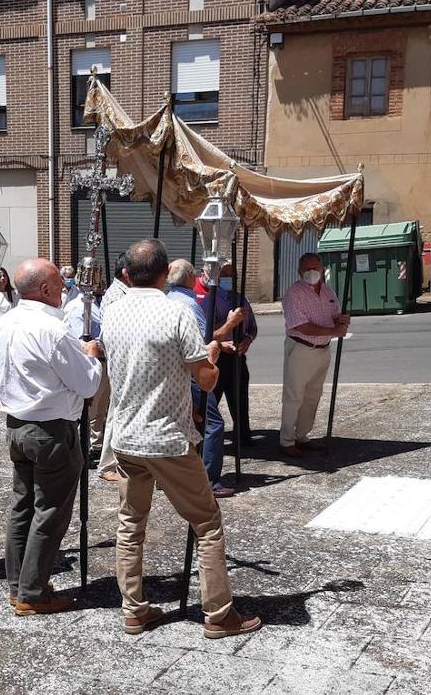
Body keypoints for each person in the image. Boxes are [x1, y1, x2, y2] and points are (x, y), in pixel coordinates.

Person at [101, 239, 261, 640]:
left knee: (130, 524)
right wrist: (210, 354)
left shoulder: (112, 312)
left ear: (128, 274)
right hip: (167, 438)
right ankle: (219, 614)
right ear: (162, 275)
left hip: (125, 436)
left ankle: (134, 609)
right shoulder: (176, 313)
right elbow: (205, 379)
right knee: (207, 522)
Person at [0, 258, 102, 616]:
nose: (63, 291)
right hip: (50, 429)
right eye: (58, 285)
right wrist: (92, 356)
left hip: (17, 425)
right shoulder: (52, 330)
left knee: (22, 507)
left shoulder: (5, 321)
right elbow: (87, 384)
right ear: (44, 289)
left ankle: (19, 584)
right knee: (50, 513)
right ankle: (33, 592)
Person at [166, 260, 244, 497]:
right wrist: (228, 326)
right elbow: (202, 341)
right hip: (191, 373)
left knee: (183, 422)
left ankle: (171, 475)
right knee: (212, 424)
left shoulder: (168, 300)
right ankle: (209, 480)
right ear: (190, 276)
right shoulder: (188, 304)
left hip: (173, 373)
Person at [279, 253, 349, 458]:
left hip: (322, 350)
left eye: (315, 268)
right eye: (307, 269)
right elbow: (301, 326)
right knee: (294, 396)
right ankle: (286, 440)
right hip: (301, 348)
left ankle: (302, 436)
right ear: (300, 272)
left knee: (312, 396)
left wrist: (342, 321)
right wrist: (334, 331)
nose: (311, 273)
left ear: (322, 269)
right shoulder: (294, 293)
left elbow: (335, 316)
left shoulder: (328, 291)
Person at [63, 274, 116, 483]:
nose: (99, 283)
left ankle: (94, 445)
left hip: (103, 362)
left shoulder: (96, 303)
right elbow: (82, 340)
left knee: (100, 409)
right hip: (91, 362)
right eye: (94, 279)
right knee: (91, 410)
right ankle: (88, 448)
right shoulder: (78, 307)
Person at [204, 261, 257, 449]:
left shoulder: (241, 299)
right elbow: (207, 334)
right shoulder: (210, 300)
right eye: (226, 275)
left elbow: (253, 327)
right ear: (218, 278)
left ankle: (243, 438)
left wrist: (248, 339)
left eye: (233, 275)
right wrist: (227, 328)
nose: (230, 278)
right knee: (210, 403)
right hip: (218, 358)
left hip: (237, 357)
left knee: (240, 400)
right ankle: (205, 439)